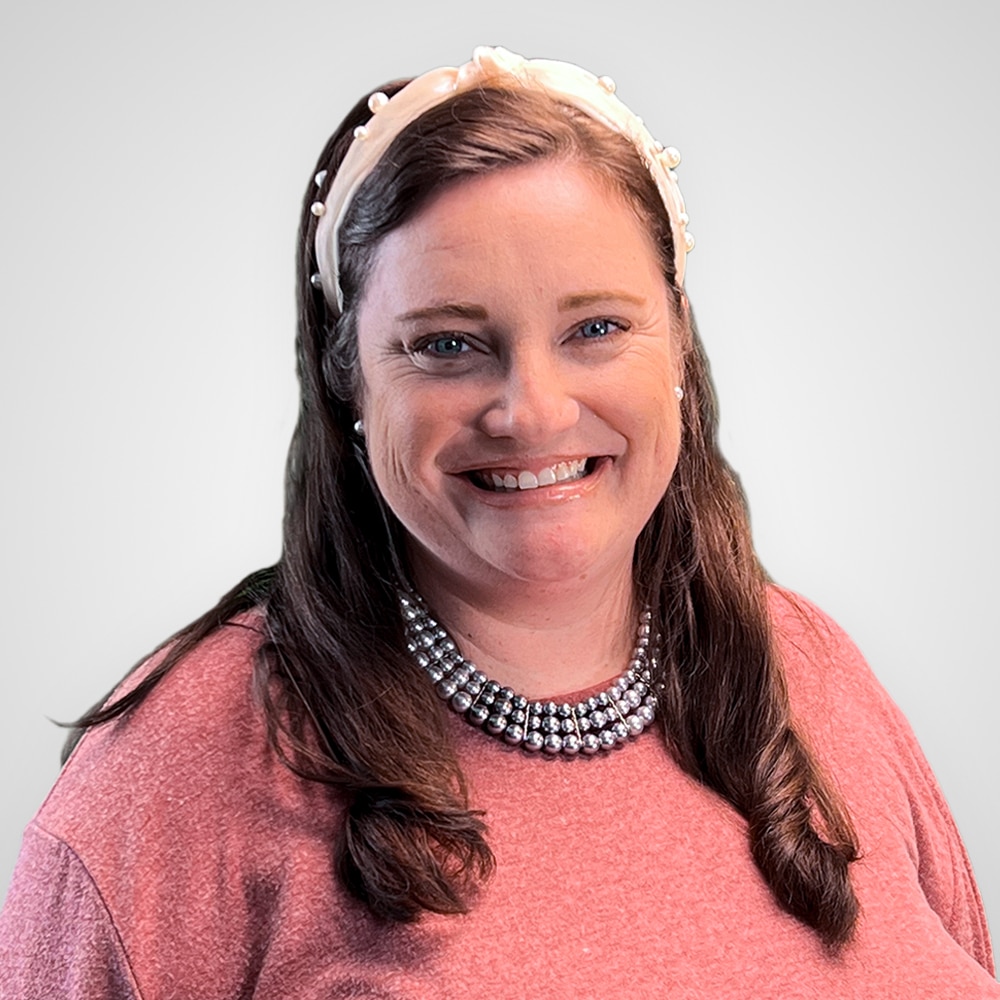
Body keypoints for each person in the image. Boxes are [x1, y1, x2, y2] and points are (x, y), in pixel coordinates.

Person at [0, 45, 996, 998]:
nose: (533, 411)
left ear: (680, 348)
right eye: (445, 344)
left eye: (595, 328)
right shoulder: (173, 774)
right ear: (347, 376)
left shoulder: (814, 674)